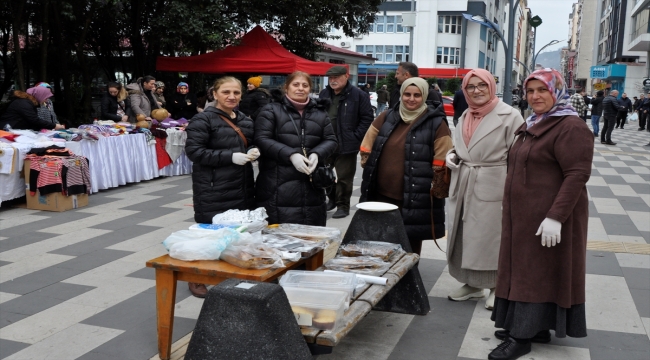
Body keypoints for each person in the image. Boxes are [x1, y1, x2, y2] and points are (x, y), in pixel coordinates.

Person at [489, 68, 593, 360]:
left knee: (534, 273)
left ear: (556, 91)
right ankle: (534, 326)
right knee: (528, 269)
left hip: (548, 217)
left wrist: (555, 217)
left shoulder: (570, 127)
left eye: (542, 90)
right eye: (530, 91)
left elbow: (577, 175)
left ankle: (521, 338)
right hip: (523, 217)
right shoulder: (535, 122)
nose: (534, 96)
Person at [444, 69, 524, 310]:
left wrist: (514, 192)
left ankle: (496, 287)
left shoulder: (510, 115)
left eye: (482, 85)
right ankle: (472, 283)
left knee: (490, 238)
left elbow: (519, 157)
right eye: (471, 86)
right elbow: (462, 147)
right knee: (463, 233)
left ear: (491, 87)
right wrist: (452, 155)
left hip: (494, 182)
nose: (476, 90)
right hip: (464, 180)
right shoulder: (466, 114)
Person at [359, 78, 453, 255]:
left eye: (417, 95)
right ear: (401, 95)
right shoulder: (386, 116)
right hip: (382, 194)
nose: (411, 99)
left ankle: (410, 279)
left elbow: (443, 159)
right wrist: (368, 165)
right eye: (407, 94)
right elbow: (367, 144)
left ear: (424, 96)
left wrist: (438, 187)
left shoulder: (436, 123)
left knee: (410, 242)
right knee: (381, 241)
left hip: (414, 197)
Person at [184, 76, 258, 297]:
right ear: (214, 94)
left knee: (236, 232)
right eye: (226, 92)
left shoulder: (244, 119)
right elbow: (194, 152)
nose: (231, 97)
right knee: (208, 233)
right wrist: (230, 156)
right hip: (212, 186)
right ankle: (196, 277)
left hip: (242, 184)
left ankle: (229, 273)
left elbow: (250, 140)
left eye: (236, 92)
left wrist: (254, 150)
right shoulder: (203, 120)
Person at [255, 71, 338, 226]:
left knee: (311, 236)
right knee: (281, 238)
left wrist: (316, 154)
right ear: (286, 87)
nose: (300, 88)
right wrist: (291, 154)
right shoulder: (271, 110)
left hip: (312, 184)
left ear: (310, 88)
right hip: (277, 183)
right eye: (296, 84)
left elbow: (331, 140)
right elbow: (262, 139)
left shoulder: (320, 112)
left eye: (305, 85)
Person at [318, 66, 374, 218]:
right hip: (326, 143)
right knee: (324, 174)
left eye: (336, 77)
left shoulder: (358, 95)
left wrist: (355, 136)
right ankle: (333, 199)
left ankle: (343, 206)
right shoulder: (324, 93)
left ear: (346, 76)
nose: (333, 80)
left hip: (347, 144)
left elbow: (367, 118)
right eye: (330, 78)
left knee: (344, 178)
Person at [0, 87, 65, 131]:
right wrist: (54, 126)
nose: (46, 101)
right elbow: (34, 120)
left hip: (14, 129)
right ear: (40, 96)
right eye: (45, 98)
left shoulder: (28, 103)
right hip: (8, 130)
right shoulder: (24, 103)